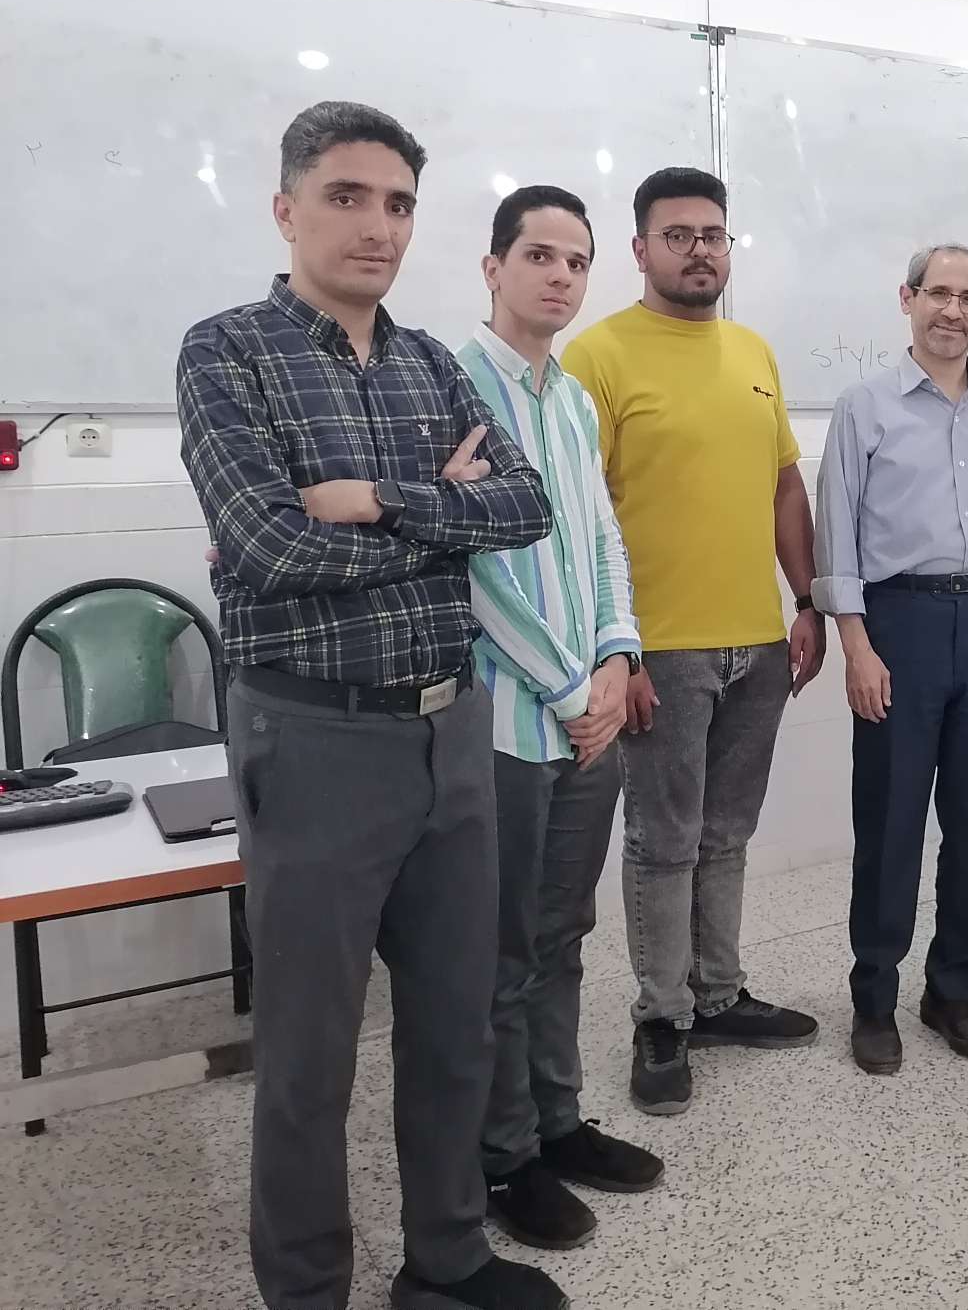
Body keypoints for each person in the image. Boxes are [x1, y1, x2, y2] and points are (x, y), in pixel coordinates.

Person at [177, 102, 565, 1310]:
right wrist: (438, 509)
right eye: (347, 197)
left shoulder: (430, 362)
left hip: (450, 730)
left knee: (453, 1023)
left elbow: (526, 507)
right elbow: (265, 547)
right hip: (313, 735)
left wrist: (374, 497)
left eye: (397, 203)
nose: (377, 226)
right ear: (286, 208)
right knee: (310, 1054)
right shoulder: (227, 352)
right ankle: (307, 1291)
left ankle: (446, 1257)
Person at [564, 167, 824, 1120]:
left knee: (727, 833)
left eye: (713, 234)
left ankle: (718, 995)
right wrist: (618, 653)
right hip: (659, 653)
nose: (699, 250)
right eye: (678, 235)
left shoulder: (752, 351)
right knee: (663, 841)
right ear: (641, 250)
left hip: (758, 643)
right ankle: (662, 1018)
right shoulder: (596, 357)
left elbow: (785, 486)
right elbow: (580, 519)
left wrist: (808, 600)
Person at [454, 186, 663, 1253]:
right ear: (494, 267)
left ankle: (557, 1119)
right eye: (539, 255)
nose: (560, 277)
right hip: (507, 725)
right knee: (500, 954)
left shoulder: (573, 399)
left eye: (577, 261)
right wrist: (574, 689)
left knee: (564, 934)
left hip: (590, 714)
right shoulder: (450, 386)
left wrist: (620, 655)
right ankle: (503, 1160)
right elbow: (471, 567)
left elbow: (602, 537)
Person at [813, 243, 968, 1076]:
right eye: (938, 293)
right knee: (891, 821)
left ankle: (953, 990)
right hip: (899, 625)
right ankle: (874, 998)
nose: (953, 310)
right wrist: (855, 645)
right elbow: (837, 534)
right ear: (908, 298)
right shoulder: (864, 407)